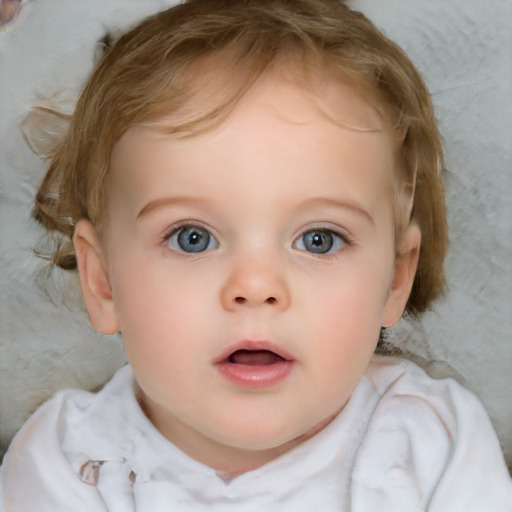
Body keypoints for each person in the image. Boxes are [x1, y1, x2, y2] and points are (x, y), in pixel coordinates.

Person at [1, 0, 511, 509]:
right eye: (191, 237)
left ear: (395, 278)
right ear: (103, 281)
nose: (257, 285)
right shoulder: (65, 465)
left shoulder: (435, 448)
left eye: (320, 239)